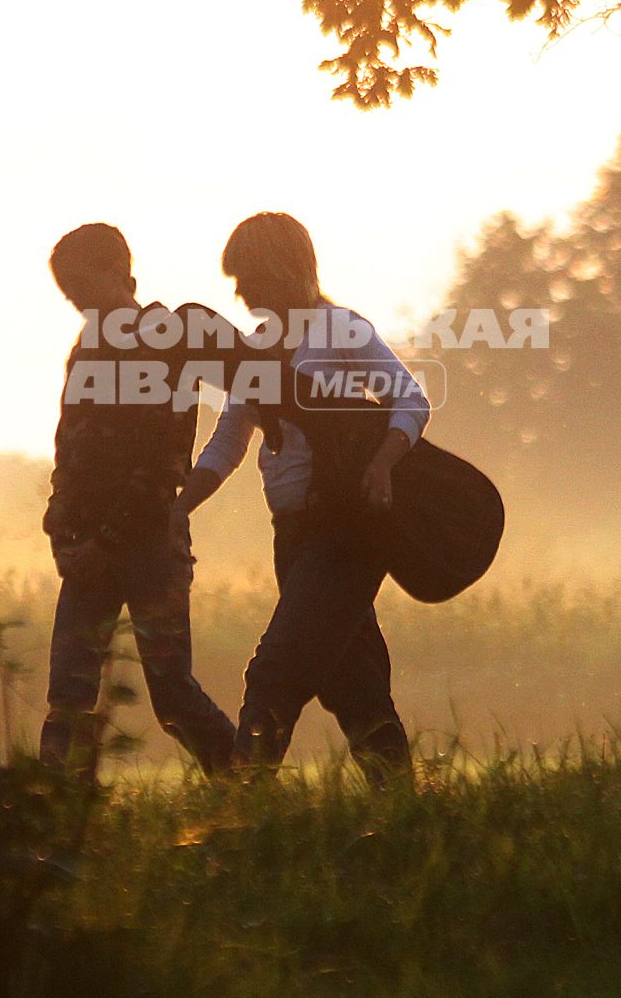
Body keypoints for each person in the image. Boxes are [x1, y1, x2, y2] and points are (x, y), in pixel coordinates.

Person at [173, 212, 428, 784]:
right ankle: (407, 803)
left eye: (246, 276)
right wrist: (179, 507)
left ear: (279, 270)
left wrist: (383, 463)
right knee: (353, 686)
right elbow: (226, 445)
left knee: (275, 670)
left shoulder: (341, 329)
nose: (238, 292)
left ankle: (246, 798)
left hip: (344, 535)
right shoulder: (255, 353)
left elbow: (411, 401)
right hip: (291, 539)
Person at [39, 223, 236, 782]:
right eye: (68, 294)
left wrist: (101, 541)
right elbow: (67, 448)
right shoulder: (85, 350)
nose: (76, 302)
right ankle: (53, 812)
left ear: (116, 274)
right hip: (86, 552)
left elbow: (161, 463)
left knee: (172, 695)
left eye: (80, 287)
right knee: (69, 693)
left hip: (150, 546)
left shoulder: (167, 341)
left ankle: (247, 783)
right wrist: (62, 533)